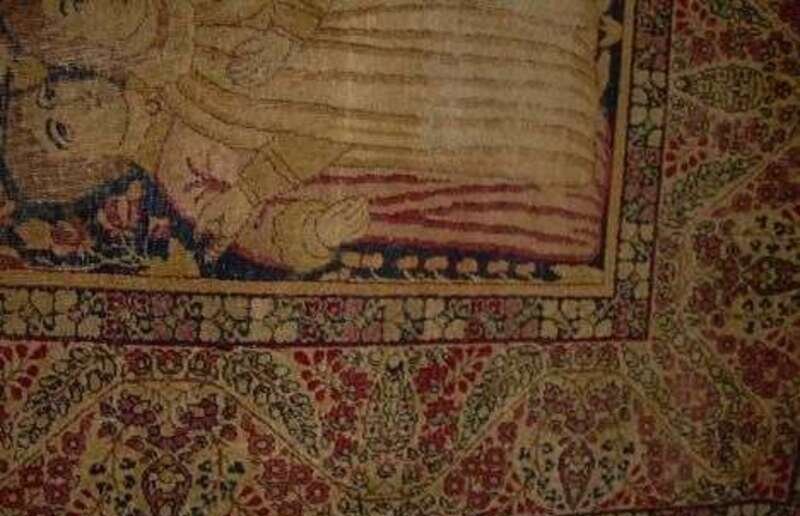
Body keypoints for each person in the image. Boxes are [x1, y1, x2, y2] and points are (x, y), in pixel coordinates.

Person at [2, 0, 609, 274]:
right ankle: (570, 105)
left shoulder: (175, 62)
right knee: (486, 103)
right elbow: (264, 224)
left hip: (379, 19)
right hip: (387, 113)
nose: (74, 99)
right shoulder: (181, 139)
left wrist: (289, 27)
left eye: (54, 92)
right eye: (62, 128)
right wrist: (310, 232)